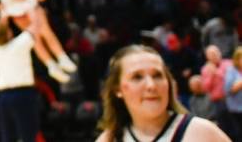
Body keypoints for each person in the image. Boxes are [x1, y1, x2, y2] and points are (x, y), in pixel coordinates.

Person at [96, 45, 230, 142]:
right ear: (117, 90)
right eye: (137, 77)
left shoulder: (202, 132)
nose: (151, 85)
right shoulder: (108, 139)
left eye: (157, 75)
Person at [0, 10, 42, 142]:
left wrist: (5, 13)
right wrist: (33, 8)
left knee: (8, 137)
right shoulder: (19, 45)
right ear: (8, 33)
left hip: (4, 97)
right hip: (23, 95)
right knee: (28, 134)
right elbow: (36, 25)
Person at [223, 46, 242, 139]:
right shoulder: (231, 71)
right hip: (236, 109)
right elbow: (229, 90)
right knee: (238, 133)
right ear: (237, 59)